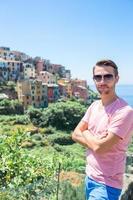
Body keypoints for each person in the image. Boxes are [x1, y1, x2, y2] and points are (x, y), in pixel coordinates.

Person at [72, 60, 133, 200]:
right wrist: (93, 139)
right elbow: (75, 134)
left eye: (108, 76)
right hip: (89, 177)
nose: (102, 81)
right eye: (98, 77)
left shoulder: (125, 111)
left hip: (107, 185)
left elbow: (100, 148)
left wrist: (86, 132)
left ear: (116, 78)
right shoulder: (94, 106)